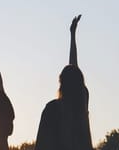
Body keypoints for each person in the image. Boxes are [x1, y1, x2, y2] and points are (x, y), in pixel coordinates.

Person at [35, 15, 93, 150]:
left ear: (61, 82)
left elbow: (41, 144)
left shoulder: (52, 108)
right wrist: (72, 35)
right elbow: (73, 67)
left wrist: (72, 34)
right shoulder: (81, 105)